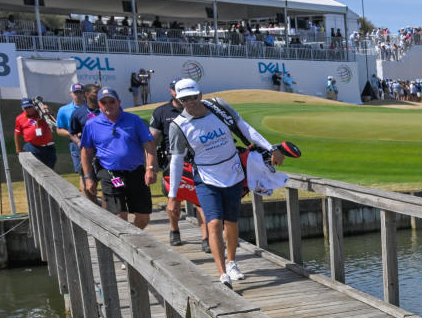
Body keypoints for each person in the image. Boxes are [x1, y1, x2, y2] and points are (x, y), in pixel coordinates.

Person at [166, 78, 282, 287]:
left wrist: (270, 147)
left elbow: (245, 128)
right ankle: (222, 274)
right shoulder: (178, 126)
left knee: (231, 222)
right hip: (206, 179)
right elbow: (176, 160)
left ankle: (232, 262)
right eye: (185, 99)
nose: (190, 102)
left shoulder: (219, 106)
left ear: (200, 95)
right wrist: (172, 196)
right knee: (214, 223)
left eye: (193, 97)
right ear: (178, 99)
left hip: (233, 174)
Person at [79, 87, 156, 228]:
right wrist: (88, 177)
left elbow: (149, 145)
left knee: (143, 216)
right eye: (104, 102)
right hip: (110, 172)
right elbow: (86, 152)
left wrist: (150, 168)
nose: (108, 105)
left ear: (119, 102)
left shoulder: (134, 120)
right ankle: (123, 244)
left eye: (111, 101)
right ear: (99, 104)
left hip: (135, 171)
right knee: (119, 215)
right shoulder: (92, 124)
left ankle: (134, 238)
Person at [149, 78, 189, 246]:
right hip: (172, 160)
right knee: (175, 198)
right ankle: (174, 229)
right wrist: (151, 166)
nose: (178, 93)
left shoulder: (196, 108)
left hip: (196, 160)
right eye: (175, 89)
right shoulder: (161, 112)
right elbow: (151, 140)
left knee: (200, 200)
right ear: (171, 91)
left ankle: (206, 237)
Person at [14, 97, 57, 169]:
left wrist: (50, 110)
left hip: (49, 147)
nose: (28, 109)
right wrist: (18, 149)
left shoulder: (43, 113)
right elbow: (17, 134)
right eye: (26, 108)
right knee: (38, 169)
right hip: (32, 147)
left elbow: (56, 120)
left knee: (50, 170)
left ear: (34, 106)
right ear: (22, 108)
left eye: (30, 107)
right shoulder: (20, 118)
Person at [55, 83, 86, 174]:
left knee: (103, 169)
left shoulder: (92, 107)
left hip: (93, 142)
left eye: (80, 92)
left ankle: (117, 186)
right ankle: (86, 188)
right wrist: (72, 134)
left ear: (84, 93)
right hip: (76, 143)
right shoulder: (63, 110)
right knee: (82, 173)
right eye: (76, 93)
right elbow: (59, 130)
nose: (78, 95)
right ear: (71, 93)